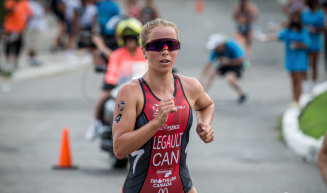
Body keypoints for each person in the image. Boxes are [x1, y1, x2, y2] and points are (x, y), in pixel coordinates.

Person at [112, 18, 215, 193]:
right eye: (157, 45)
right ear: (144, 51)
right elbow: (120, 149)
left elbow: (207, 104)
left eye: (171, 44)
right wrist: (156, 122)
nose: (165, 51)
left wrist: (204, 124)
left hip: (182, 187)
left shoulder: (190, 86)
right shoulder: (130, 92)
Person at [85, 17, 145, 140]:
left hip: (141, 87)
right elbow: (112, 71)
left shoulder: (145, 53)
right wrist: (110, 82)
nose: (130, 42)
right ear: (123, 40)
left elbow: (150, 69)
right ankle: (97, 124)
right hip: (119, 86)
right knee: (103, 96)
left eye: (132, 38)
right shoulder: (117, 54)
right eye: (127, 39)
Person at [256, 11, 311, 106]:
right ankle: (295, 100)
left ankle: (298, 100)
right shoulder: (287, 32)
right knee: (294, 81)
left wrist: (298, 44)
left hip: (300, 59)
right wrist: (261, 37)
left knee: (298, 81)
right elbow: (274, 37)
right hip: (291, 60)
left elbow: (308, 44)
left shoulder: (304, 31)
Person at [199, 33, 249, 104]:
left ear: (220, 44)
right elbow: (208, 64)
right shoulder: (216, 50)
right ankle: (201, 95)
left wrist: (229, 62)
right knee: (212, 74)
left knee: (230, 78)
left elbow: (241, 59)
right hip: (225, 63)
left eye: (215, 47)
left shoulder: (232, 45)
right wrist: (202, 77)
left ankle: (243, 95)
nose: (214, 49)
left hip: (238, 64)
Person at [3, 0, 33, 70]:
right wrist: (15, 3)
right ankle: (7, 62)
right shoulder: (10, 2)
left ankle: (16, 62)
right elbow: (7, 11)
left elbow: (29, 14)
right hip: (10, 28)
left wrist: (25, 24)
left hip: (20, 29)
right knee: (9, 45)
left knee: (19, 45)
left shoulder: (24, 2)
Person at [301, 0, 325, 89]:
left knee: (314, 64)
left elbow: (324, 28)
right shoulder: (304, 13)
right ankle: (305, 84)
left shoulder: (320, 14)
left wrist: (315, 29)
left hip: (316, 42)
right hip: (306, 43)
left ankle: (314, 83)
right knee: (305, 65)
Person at [26, 0, 47, 66]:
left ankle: (34, 58)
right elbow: (31, 15)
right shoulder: (30, 4)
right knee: (32, 44)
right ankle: (30, 59)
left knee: (36, 44)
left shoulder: (37, 4)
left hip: (38, 27)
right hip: (33, 26)